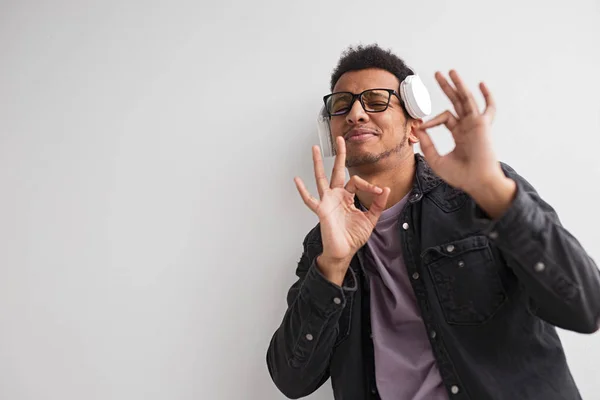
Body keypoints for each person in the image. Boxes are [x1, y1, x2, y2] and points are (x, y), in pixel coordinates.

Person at [266, 44, 600, 400]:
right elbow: (292, 380)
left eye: (376, 100)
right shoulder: (324, 244)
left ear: (414, 125)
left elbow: (586, 307)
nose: (356, 114)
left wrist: (494, 190)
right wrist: (332, 265)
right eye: (342, 105)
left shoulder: (482, 194)